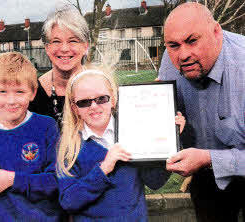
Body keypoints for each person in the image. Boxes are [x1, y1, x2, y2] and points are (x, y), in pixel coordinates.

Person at [57, 68, 182, 221]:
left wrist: (171, 139)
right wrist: (103, 170)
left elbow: (154, 181)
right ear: (75, 108)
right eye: (84, 102)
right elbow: (69, 201)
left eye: (101, 98)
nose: (94, 106)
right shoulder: (70, 146)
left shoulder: (132, 133)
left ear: (114, 99)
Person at [159, 2, 245, 222]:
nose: (183, 54)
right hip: (206, 173)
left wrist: (209, 158)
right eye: (174, 45)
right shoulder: (170, 63)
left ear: (216, 32)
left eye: (192, 41)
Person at [0, 52, 64, 221]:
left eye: (20, 92)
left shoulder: (46, 126)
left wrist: (13, 180)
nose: (11, 100)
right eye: (3, 92)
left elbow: (57, 180)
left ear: (33, 92)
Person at [28, 5, 89, 126]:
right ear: (47, 48)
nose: (64, 49)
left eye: (73, 41)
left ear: (85, 46)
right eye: (56, 41)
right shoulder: (32, 92)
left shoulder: (102, 88)